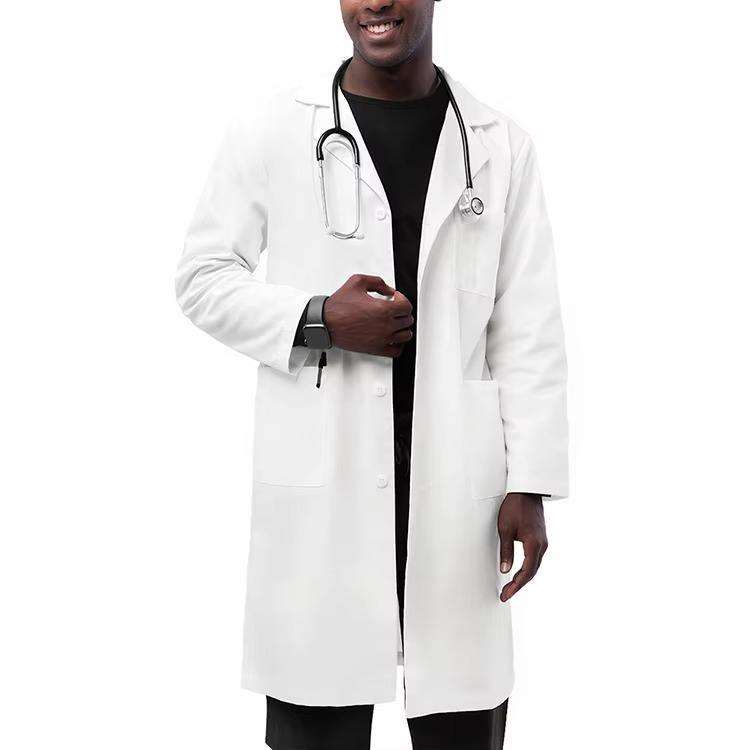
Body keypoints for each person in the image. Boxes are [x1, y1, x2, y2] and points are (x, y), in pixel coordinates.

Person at [176, 1, 568, 747]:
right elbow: (202, 278)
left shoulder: (500, 144)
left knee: (461, 720)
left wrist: (532, 481)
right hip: (326, 479)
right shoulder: (272, 128)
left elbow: (528, 327)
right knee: (316, 717)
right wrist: (320, 317)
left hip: (455, 482)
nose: (376, 2)